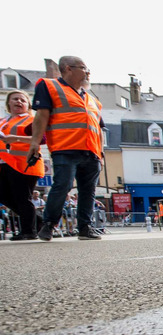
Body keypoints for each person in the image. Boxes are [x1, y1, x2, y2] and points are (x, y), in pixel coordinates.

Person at [29, 56, 104, 241]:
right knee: (62, 185)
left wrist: (100, 153)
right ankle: (48, 224)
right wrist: (35, 143)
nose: (88, 73)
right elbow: (41, 116)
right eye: (84, 68)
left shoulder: (92, 99)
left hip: (91, 151)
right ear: (68, 68)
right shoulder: (49, 86)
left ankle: (85, 227)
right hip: (66, 147)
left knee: (88, 191)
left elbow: (99, 128)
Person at [0, 90, 46, 240]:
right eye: (15, 99)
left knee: (22, 198)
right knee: (5, 196)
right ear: (8, 103)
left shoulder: (31, 120)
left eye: (22, 100)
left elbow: (42, 139)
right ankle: (37, 222)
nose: (19, 102)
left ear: (28, 104)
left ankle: (28, 231)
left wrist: (15, 139)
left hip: (24, 163)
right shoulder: (2, 121)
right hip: (5, 163)